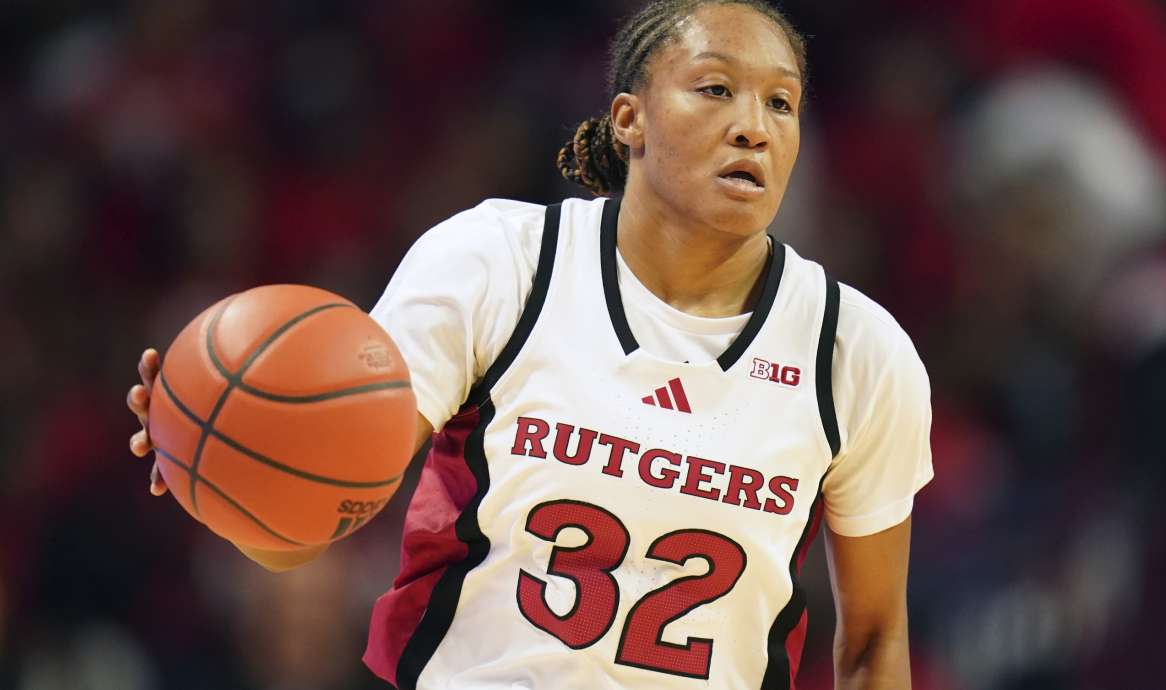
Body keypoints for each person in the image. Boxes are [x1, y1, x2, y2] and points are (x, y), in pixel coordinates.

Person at [126, 1, 933, 688]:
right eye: (716, 89)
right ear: (630, 120)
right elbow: (311, 532)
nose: (753, 128)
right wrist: (225, 461)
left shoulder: (856, 351)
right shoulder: (496, 264)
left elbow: (873, 643)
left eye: (782, 104)